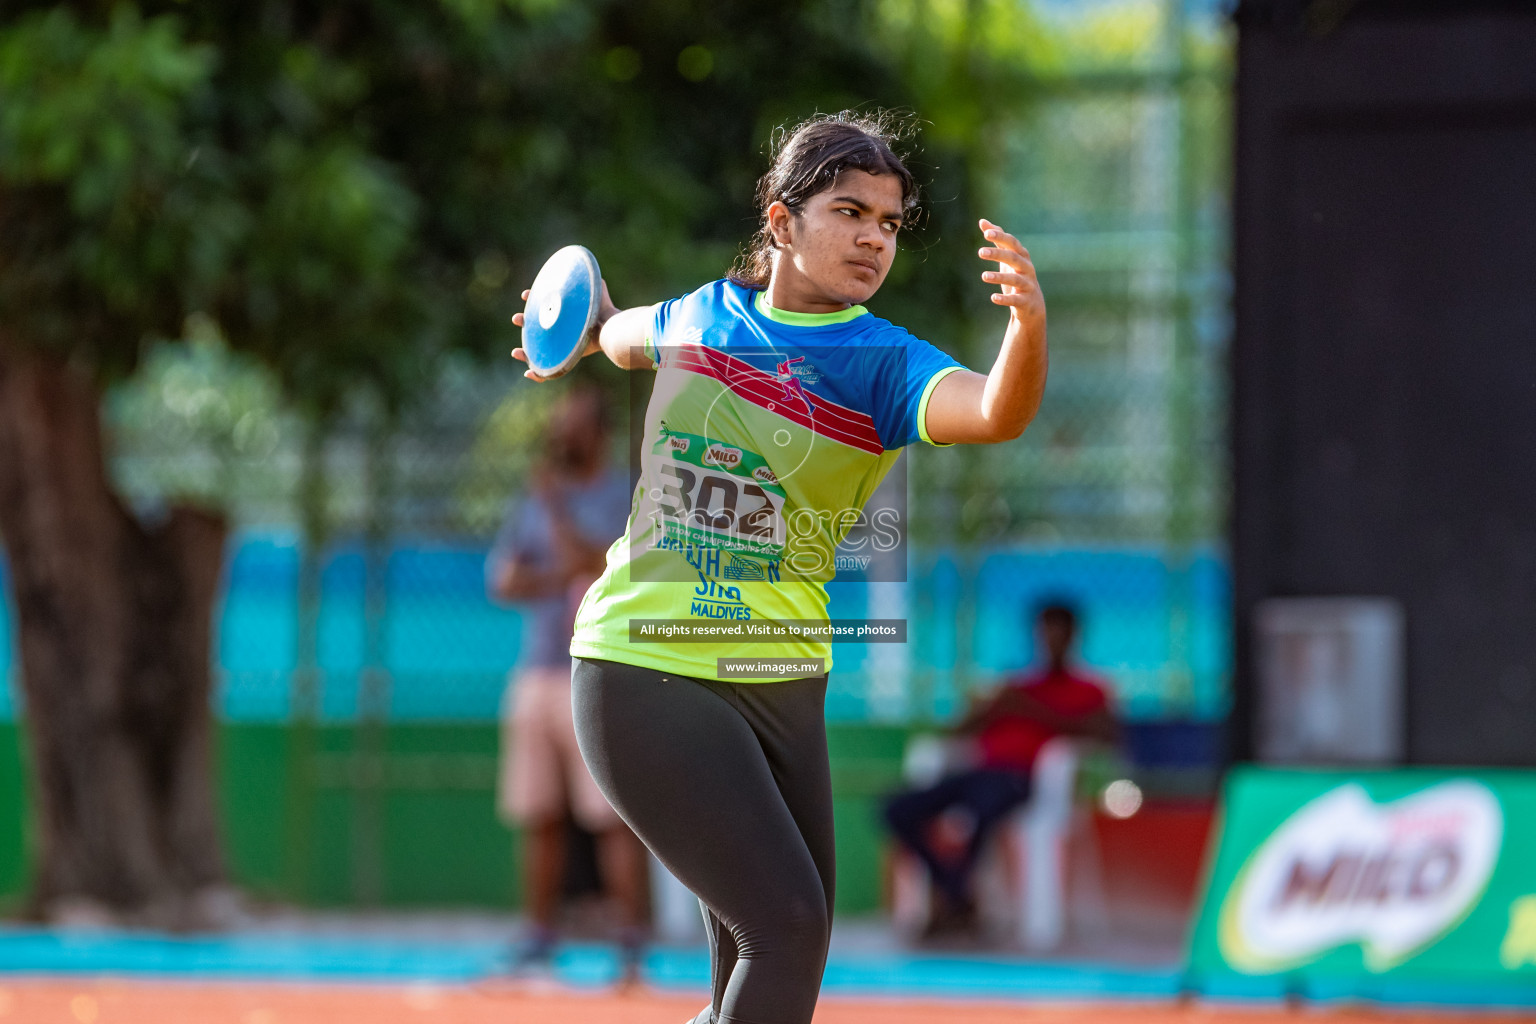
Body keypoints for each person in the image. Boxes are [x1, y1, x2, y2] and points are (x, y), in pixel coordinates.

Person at [510, 111, 1048, 1024]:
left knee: (774, 951)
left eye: (888, 221)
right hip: (648, 663)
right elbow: (611, 331)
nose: (874, 237)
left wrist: (1027, 327)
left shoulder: (884, 365)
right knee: (787, 928)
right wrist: (567, 324)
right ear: (782, 220)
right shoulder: (694, 317)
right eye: (850, 211)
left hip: (783, 680)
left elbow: (997, 410)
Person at [485, 384, 646, 973]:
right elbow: (503, 581)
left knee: (609, 818)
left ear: (597, 431)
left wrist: (555, 519)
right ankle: (538, 936)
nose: (559, 435)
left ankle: (629, 939)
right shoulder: (532, 499)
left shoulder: (623, 496)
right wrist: (560, 573)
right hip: (536, 675)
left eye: (572, 424)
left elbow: (601, 562)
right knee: (538, 812)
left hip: (597, 672)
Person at [883, 601, 1117, 938]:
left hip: (1024, 781)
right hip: (979, 774)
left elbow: (1108, 736)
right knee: (897, 809)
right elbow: (956, 734)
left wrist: (1032, 710)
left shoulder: (1088, 689)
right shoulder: (1016, 686)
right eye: (1045, 631)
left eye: (1058, 632)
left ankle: (955, 902)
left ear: (1073, 636)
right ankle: (957, 893)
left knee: (982, 807)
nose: (1050, 640)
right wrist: (987, 706)